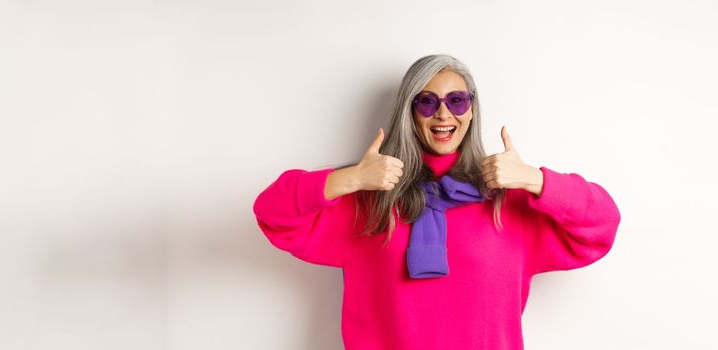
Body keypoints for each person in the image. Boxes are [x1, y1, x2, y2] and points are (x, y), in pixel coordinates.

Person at [252, 54, 621, 350]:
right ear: (409, 113)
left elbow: (602, 224)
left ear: (472, 110)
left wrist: (536, 180)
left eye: (457, 100)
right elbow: (271, 213)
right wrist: (349, 179)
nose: (444, 113)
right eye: (427, 102)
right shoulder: (369, 201)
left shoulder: (508, 199)